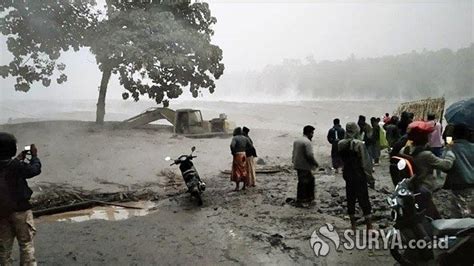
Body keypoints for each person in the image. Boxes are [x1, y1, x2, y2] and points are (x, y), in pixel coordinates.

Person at [0, 133, 41, 266]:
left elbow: (12, 166)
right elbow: (33, 170)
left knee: (4, 246)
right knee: (26, 243)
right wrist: (34, 157)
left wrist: (21, 158)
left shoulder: (15, 164)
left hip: (2, 212)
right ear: (13, 149)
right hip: (21, 210)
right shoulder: (16, 166)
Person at [401, 123, 455, 219]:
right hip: (424, 188)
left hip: (412, 187)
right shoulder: (426, 155)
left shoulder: (404, 150)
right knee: (431, 216)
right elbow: (446, 165)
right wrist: (450, 151)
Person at [338, 122, 374, 231]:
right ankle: (369, 226)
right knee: (364, 199)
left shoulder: (340, 144)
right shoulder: (359, 144)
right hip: (359, 175)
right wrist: (370, 178)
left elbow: (342, 161)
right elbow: (365, 163)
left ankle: (353, 225)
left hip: (348, 174)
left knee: (350, 198)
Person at [292, 125, 319, 207]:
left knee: (302, 182)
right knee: (307, 182)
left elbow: (294, 153)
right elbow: (309, 155)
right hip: (305, 165)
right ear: (309, 133)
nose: (313, 135)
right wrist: (315, 163)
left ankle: (301, 199)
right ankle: (305, 200)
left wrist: (293, 161)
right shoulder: (307, 142)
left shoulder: (297, 140)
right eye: (312, 133)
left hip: (297, 164)